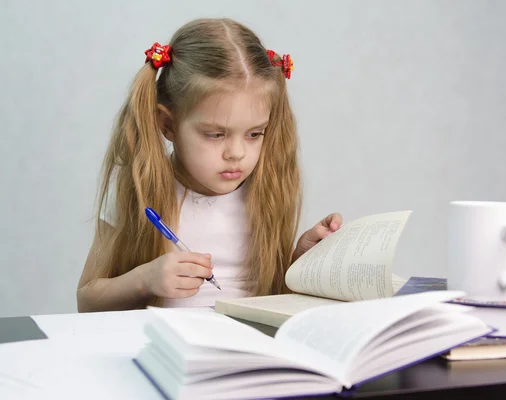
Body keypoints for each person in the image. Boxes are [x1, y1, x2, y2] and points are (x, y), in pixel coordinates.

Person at [76, 18, 342, 312]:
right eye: (216, 134)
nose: (237, 153)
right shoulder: (140, 191)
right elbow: (87, 300)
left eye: (254, 134)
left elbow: (269, 294)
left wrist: (300, 263)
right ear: (168, 124)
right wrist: (145, 279)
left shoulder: (265, 190)